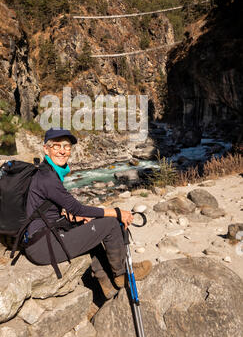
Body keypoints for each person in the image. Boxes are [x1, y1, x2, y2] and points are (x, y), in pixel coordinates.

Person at [25, 127, 152, 299]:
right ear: (46, 149)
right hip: (43, 247)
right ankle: (121, 275)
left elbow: (52, 209)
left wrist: (78, 217)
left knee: (86, 224)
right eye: (56, 146)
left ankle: (104, 281)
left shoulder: (47, 172)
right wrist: (115, 212)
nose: (62, 151)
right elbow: (76, 208)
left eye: (67, 146)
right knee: (110, 223)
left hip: (42, 239)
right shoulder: (48, 178)